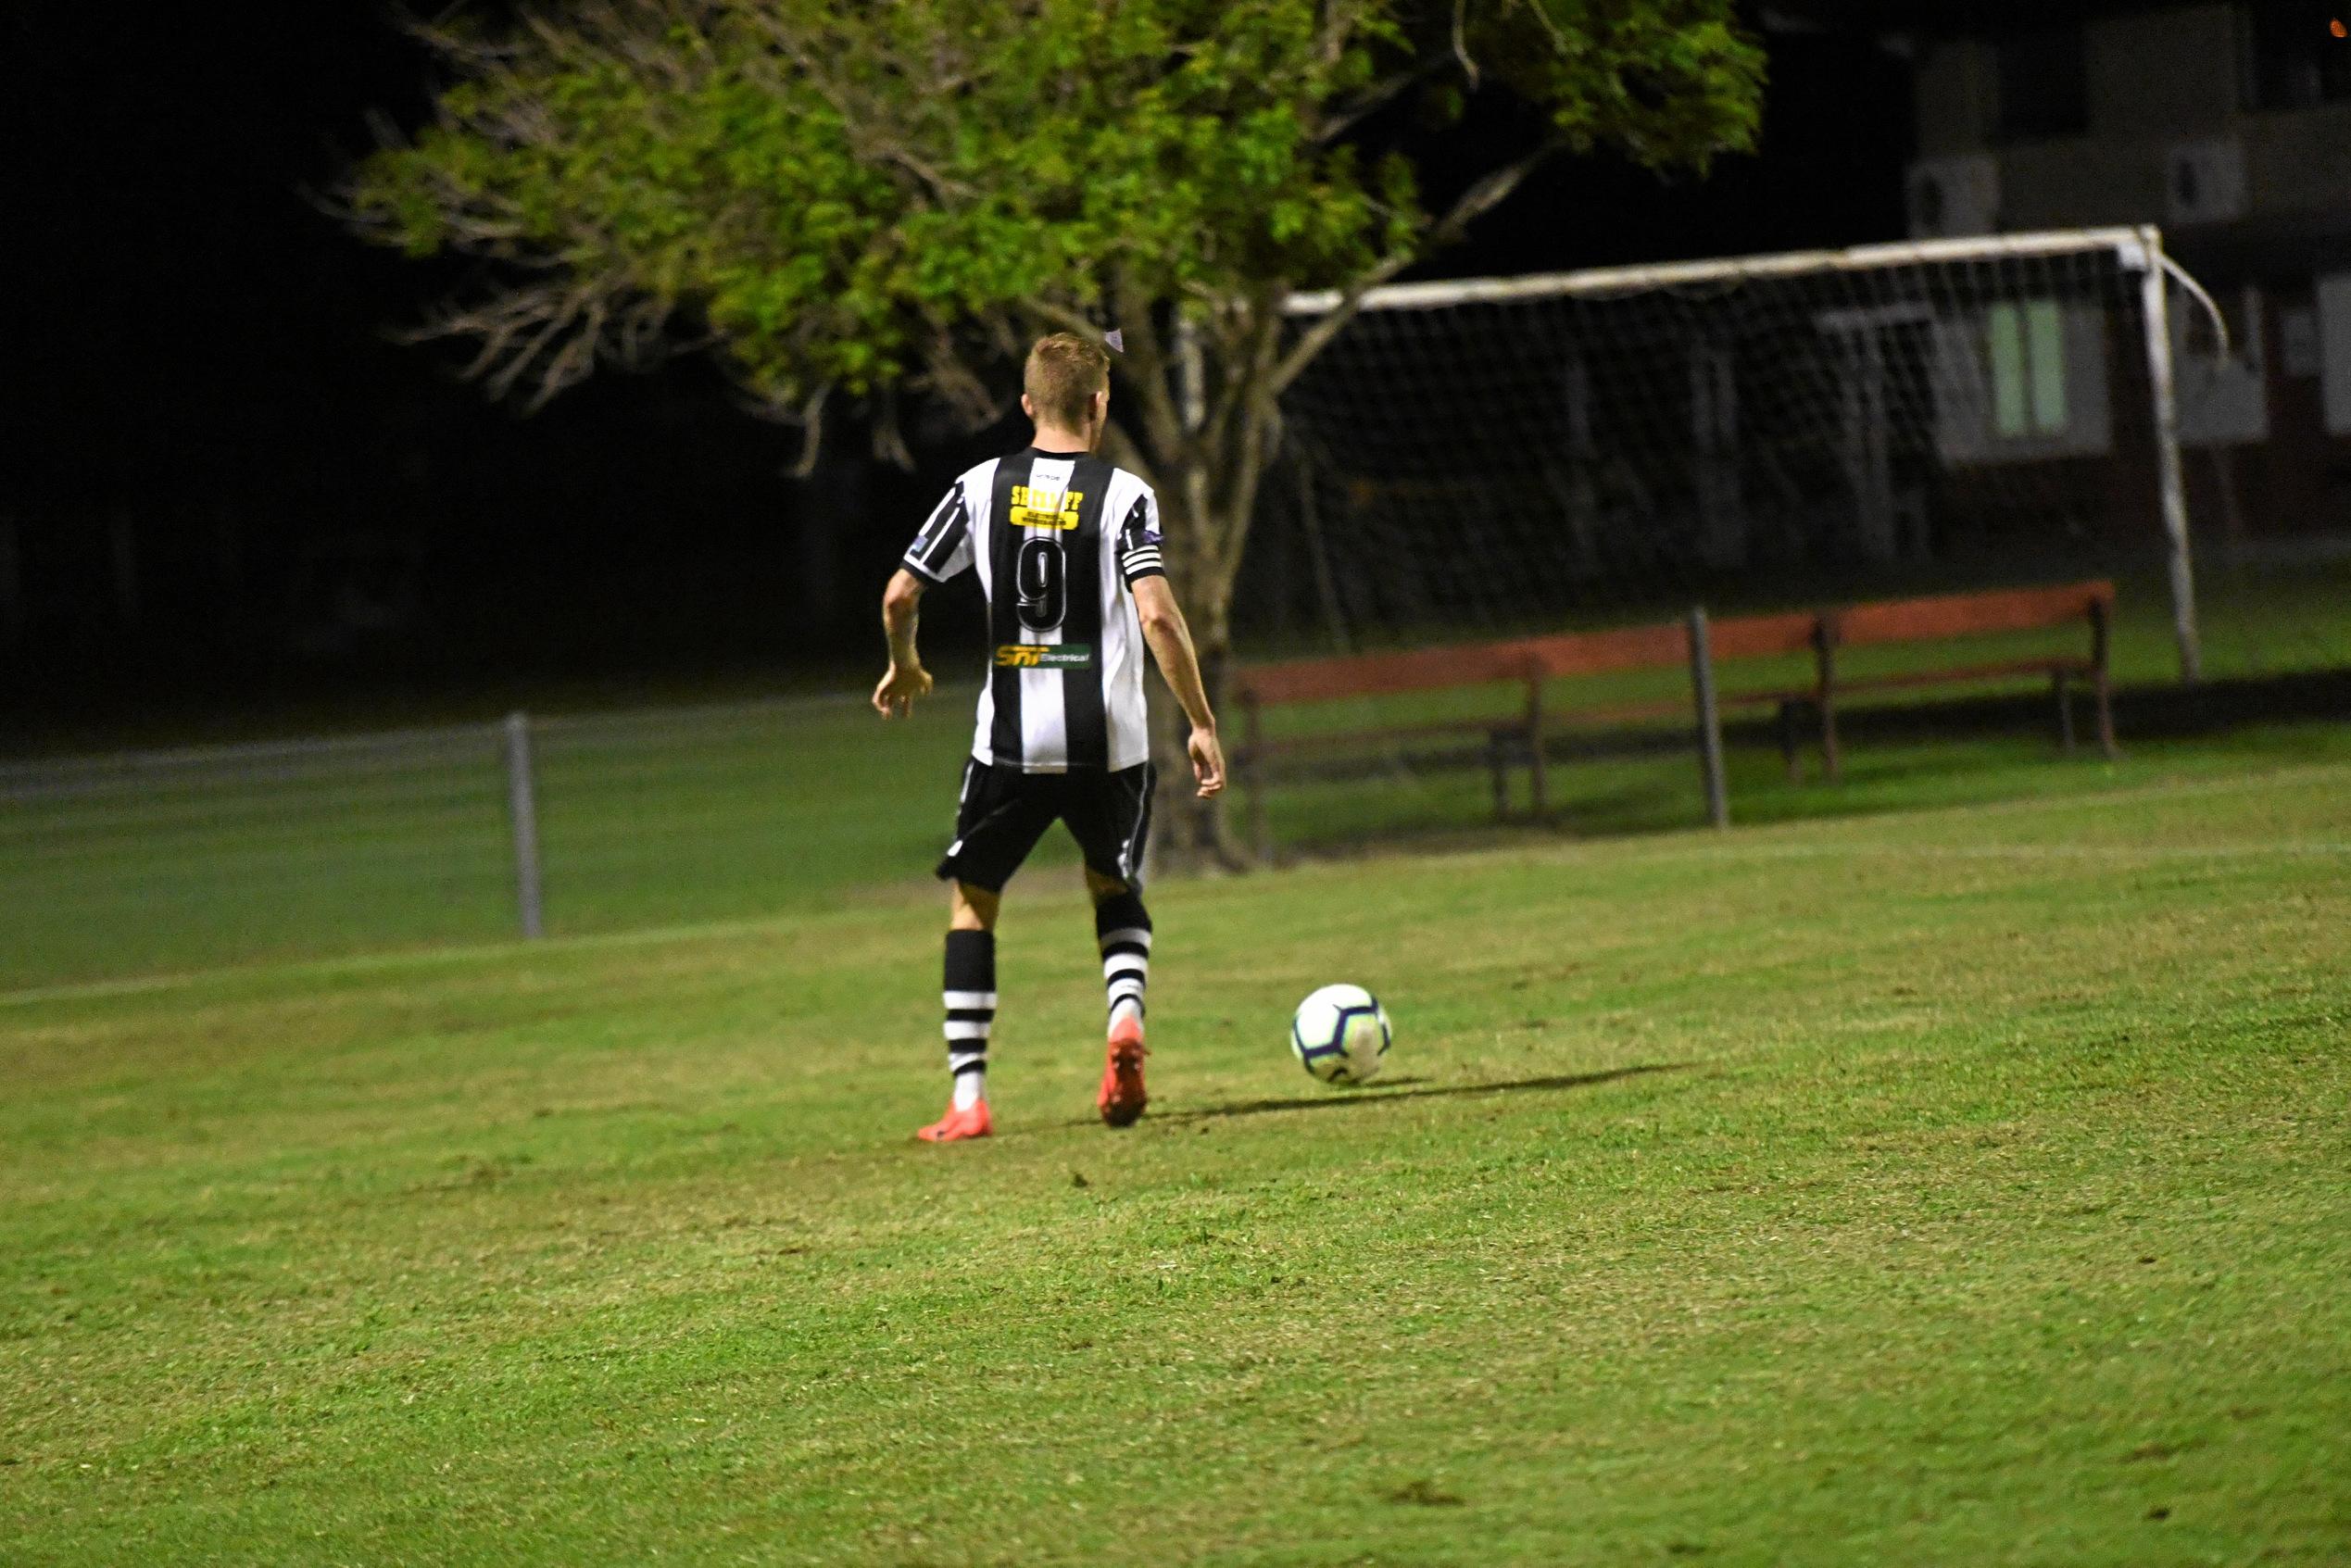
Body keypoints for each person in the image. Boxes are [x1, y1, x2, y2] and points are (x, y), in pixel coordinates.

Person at [873, 332, 1226, 1143]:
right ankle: (1124, 1022)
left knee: (973, 902)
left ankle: (969, 1098)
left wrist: (906, 666)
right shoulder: (1126, 494)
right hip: (1111, 741)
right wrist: (1201, 723)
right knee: (1113, 883)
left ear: (1027, 405)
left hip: (1010, 744)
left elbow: (900, 594)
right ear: (1101, 404)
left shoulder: (978, 487)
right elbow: (1159, 615)